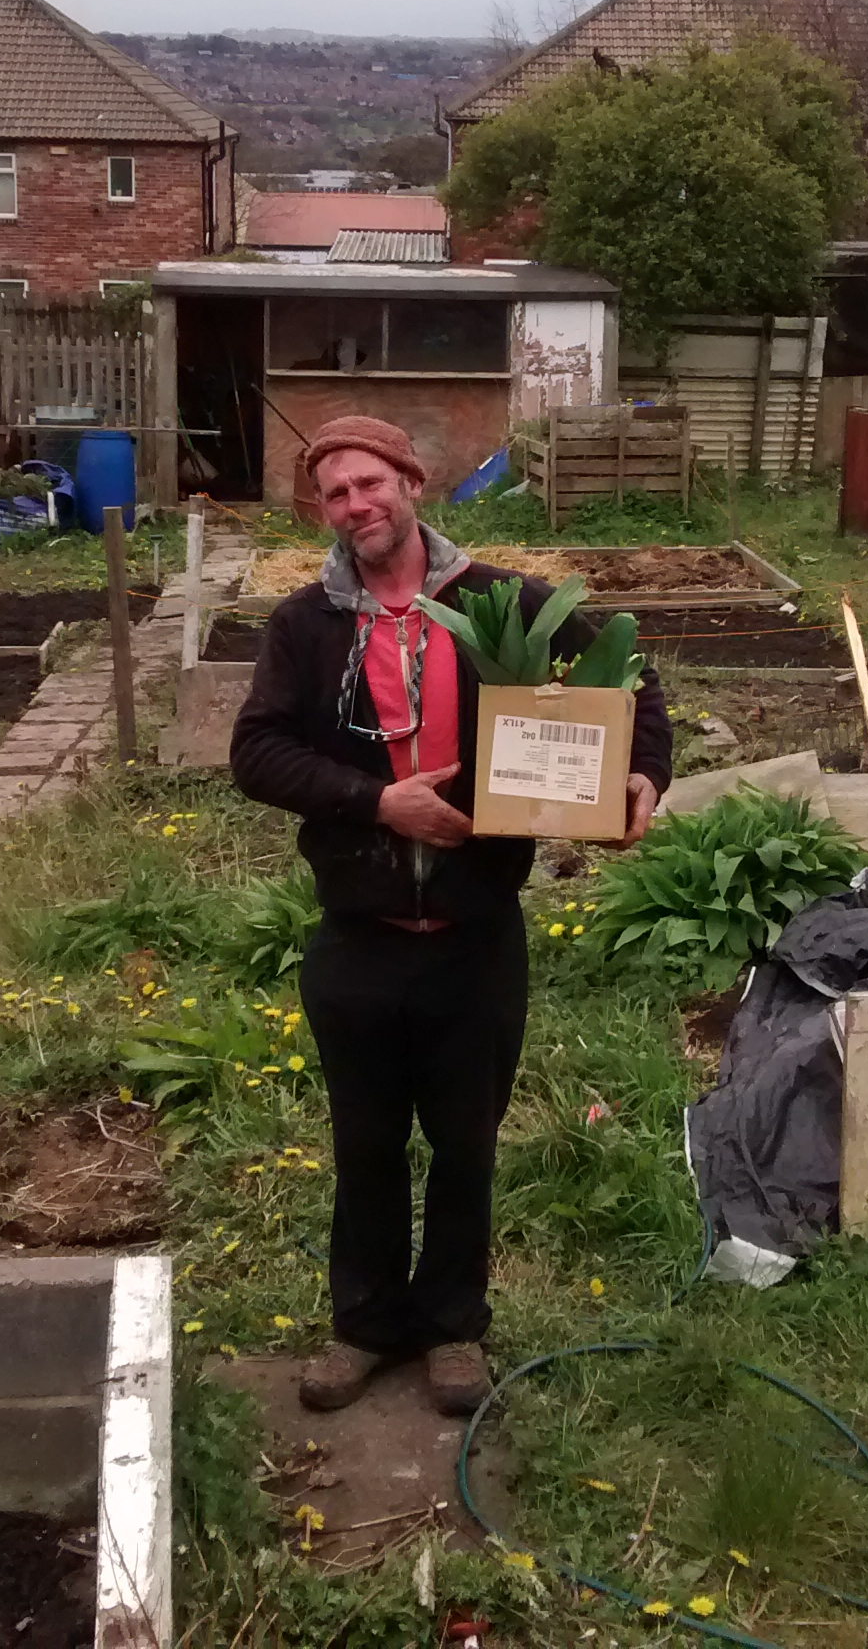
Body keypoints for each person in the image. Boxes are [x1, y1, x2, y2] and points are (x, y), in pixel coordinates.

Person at [229, 415, 671, 1417]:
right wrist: (379, 802)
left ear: (413, 483)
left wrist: (639, 776)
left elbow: (633, 681)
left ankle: (453, 1328)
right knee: (366, 1142)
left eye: (370, 484)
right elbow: (257, 754)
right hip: (359, 935)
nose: (356, 506)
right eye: (335, 494)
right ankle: (365, 1325)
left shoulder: (501, 604)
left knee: (467, 1141)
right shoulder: (304, 626)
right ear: (323, 511)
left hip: (476, 935)